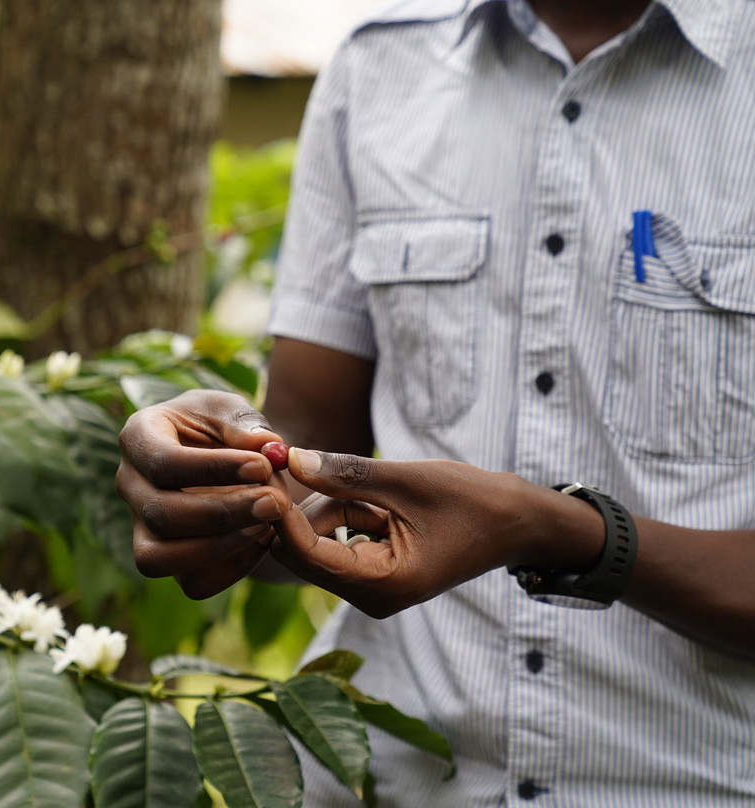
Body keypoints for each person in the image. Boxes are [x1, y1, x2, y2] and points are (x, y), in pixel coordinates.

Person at [116, 0, 755, 804]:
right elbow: (310, 458)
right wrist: (226, 475)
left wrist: (562, 531)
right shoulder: (379, 67)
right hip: (388, 778)